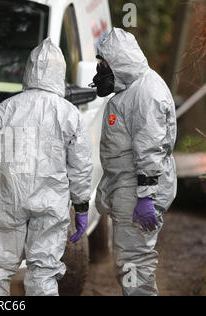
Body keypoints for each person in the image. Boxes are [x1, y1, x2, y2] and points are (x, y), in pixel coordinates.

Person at [0, 38, 93, 296]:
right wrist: (82, 206)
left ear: (28, 70)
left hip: (8, 198)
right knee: (43, 270)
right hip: (51, 201)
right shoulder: (70, 114)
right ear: (60, 72)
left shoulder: (5, 109)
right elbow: (81, 166)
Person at [92, 28, 177, 296]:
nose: (100, 70)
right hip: (130, 188)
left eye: (103, 64)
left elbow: (150, 149)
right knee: (129, 263)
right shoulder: (131, 90)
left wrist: (145, 196)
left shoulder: (146, 93)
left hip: (138, 191)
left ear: (118, 60)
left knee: (134, 265)